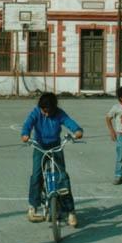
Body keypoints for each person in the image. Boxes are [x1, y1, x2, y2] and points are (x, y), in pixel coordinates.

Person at [21, 92, 83, 227]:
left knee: (63, 177)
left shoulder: (59, 113)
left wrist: (77, 131)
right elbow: (28, 124)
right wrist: (25, 134)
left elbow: (69, 122)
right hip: (40, 147)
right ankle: (33, 206)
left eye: (49, 111)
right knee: (36, 176)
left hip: (56, 146)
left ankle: (70, 211)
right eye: (44, 111)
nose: (46, 114)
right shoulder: (36, 112)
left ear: (54, 107)